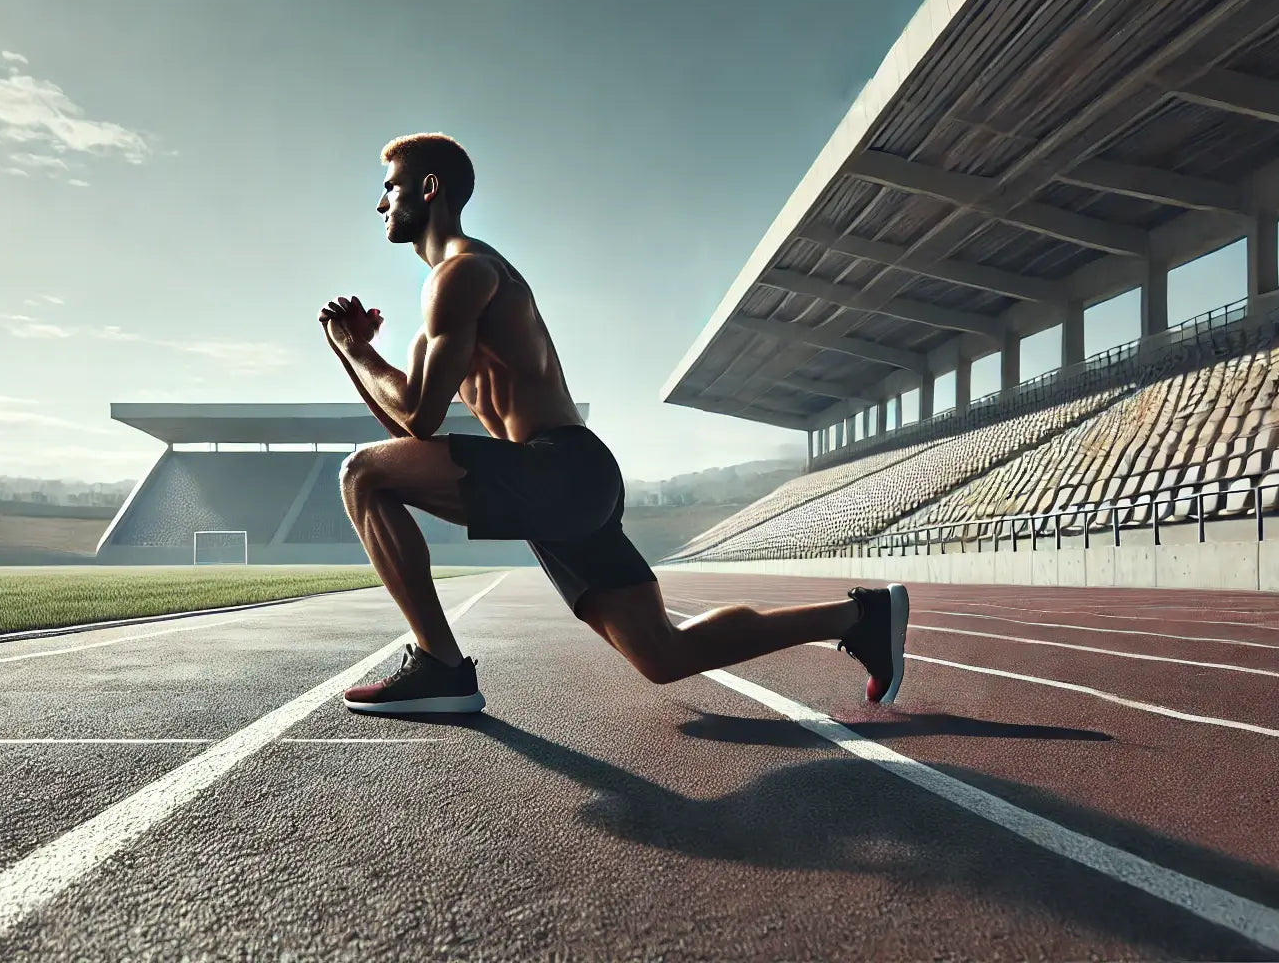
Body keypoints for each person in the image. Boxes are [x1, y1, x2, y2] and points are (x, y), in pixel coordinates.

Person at [319, 132, 908, 714]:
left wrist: (358, 350)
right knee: (663, 654)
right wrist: (354, 352)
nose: (380, 203)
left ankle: (441, 666)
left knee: (358, 474)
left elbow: (419, 417)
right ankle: (861, 616)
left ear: (428, 189)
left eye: (389, 187)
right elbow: (409, 429)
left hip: (555, 467)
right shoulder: (439, 310)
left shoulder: (462, 274)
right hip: (565, 480)